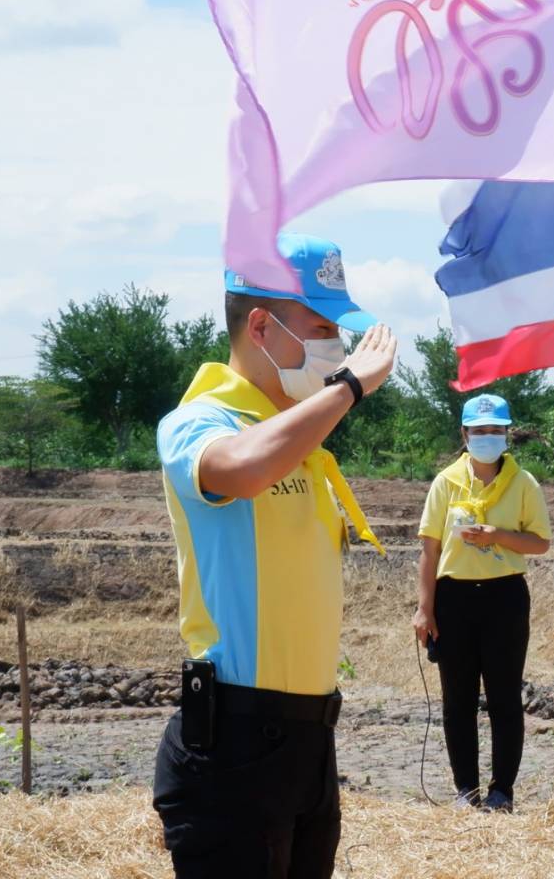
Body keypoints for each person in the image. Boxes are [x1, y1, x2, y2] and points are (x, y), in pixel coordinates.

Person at [151, 232, 398, 878]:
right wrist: (347, 387)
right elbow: (238, 469)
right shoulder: (200, 422)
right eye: (321, 327)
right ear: (260, 325)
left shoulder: (299, 443)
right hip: (234, 743)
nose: (336, 348)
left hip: (306, 742)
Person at [411, 393, 551, 812]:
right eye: (479, 431)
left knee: (505, 696)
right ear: (465, 434)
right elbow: (429, 551)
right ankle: (466, 791)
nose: (487, 437)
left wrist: (498, 536)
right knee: (458, 700)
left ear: (507, 434)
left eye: (495, 430)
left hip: (505, 596)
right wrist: (425, 607)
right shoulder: (445, 483)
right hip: (454, 599)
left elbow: (540, 542)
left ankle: (501, 791)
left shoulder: (524, 484)